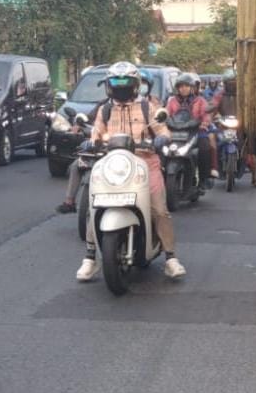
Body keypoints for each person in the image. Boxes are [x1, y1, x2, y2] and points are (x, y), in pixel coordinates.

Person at [77, 62, 185, 281]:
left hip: (145, 164)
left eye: (125, 83)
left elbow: (161, 129)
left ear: (135, 85)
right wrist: (92, 143)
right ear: (109, 86)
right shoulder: (105, 110)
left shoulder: (147, 107)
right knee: (94, 205)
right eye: (116, 83)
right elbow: (96, 133)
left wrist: (162, 138)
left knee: (159, 209)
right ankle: (90, 257)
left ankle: (171, 258)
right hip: (113, 165)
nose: (121, 87)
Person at [166, 72, 219, 182]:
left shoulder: (200, 100)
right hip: (176, 132)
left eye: (186, 86)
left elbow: (206, 114)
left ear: (191, 87)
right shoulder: (172, 101)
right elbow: (167, 114)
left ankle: (204, 177)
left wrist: (204, 122)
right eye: (181, 86)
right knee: (162, 146)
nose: (183, 89)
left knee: (205, 146)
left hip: (195, 131)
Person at [217, 67, 256, 188]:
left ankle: (255, 178)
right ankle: (213, 169)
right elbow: (212, 107)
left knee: (250, 149)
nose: (232, 85)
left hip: (241, 127)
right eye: (229, 83)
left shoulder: (244, 96)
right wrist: (211, 116)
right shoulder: (220, 96)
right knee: (212, 143)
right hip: (224, 126)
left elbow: (252, 109)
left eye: (234, 82)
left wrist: (250, 119)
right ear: (225, 84)